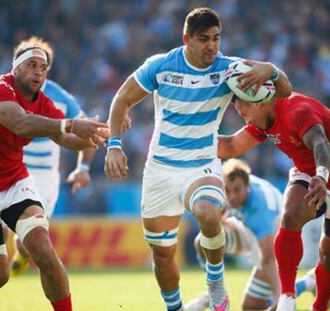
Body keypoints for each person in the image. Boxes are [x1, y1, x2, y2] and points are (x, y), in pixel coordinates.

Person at [104, 7, 292, 311]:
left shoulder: (230, 70)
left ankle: (215, 282)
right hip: (161, 171)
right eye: (204, 39)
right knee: (163, 256)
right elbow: (122, 99)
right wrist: (114, 145)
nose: (212, 47)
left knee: (207, 212)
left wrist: (270, 69)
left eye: (217, 39)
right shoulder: (161, 66)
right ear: (186, 39)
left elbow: (285, 91)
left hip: (201, 164)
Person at [0, 37, 109, 311]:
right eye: (32, 65)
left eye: (43, 67)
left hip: (13, 182)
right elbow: (20, 123)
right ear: (15, 69)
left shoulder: (45, 102)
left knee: (43, 251)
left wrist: (96, 136)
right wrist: (72, 124)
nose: (38, 72)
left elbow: (66, 139)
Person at [217, 91, 330, 311]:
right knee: (290, 216)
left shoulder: (297, 111)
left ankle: (319, 305)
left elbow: (322, 143)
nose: (245, 119)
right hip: (309, 173)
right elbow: (231, 146)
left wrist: (322, 175)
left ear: (261, 103)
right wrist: (188, 143)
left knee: (329, 258)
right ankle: (287, 298)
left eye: (245, 113)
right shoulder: (263, 121)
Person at [184, 159, 317, 311]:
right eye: (228, 190)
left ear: (248, 186)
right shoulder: (226, 187)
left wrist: (278, 298)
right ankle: (213, 293)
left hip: (276, 246)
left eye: (237, 190)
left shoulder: (261, 208)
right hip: (249, 233)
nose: (231, 196)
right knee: (203, 241)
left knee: (251, 306)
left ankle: (308, 282)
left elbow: (268, 257)